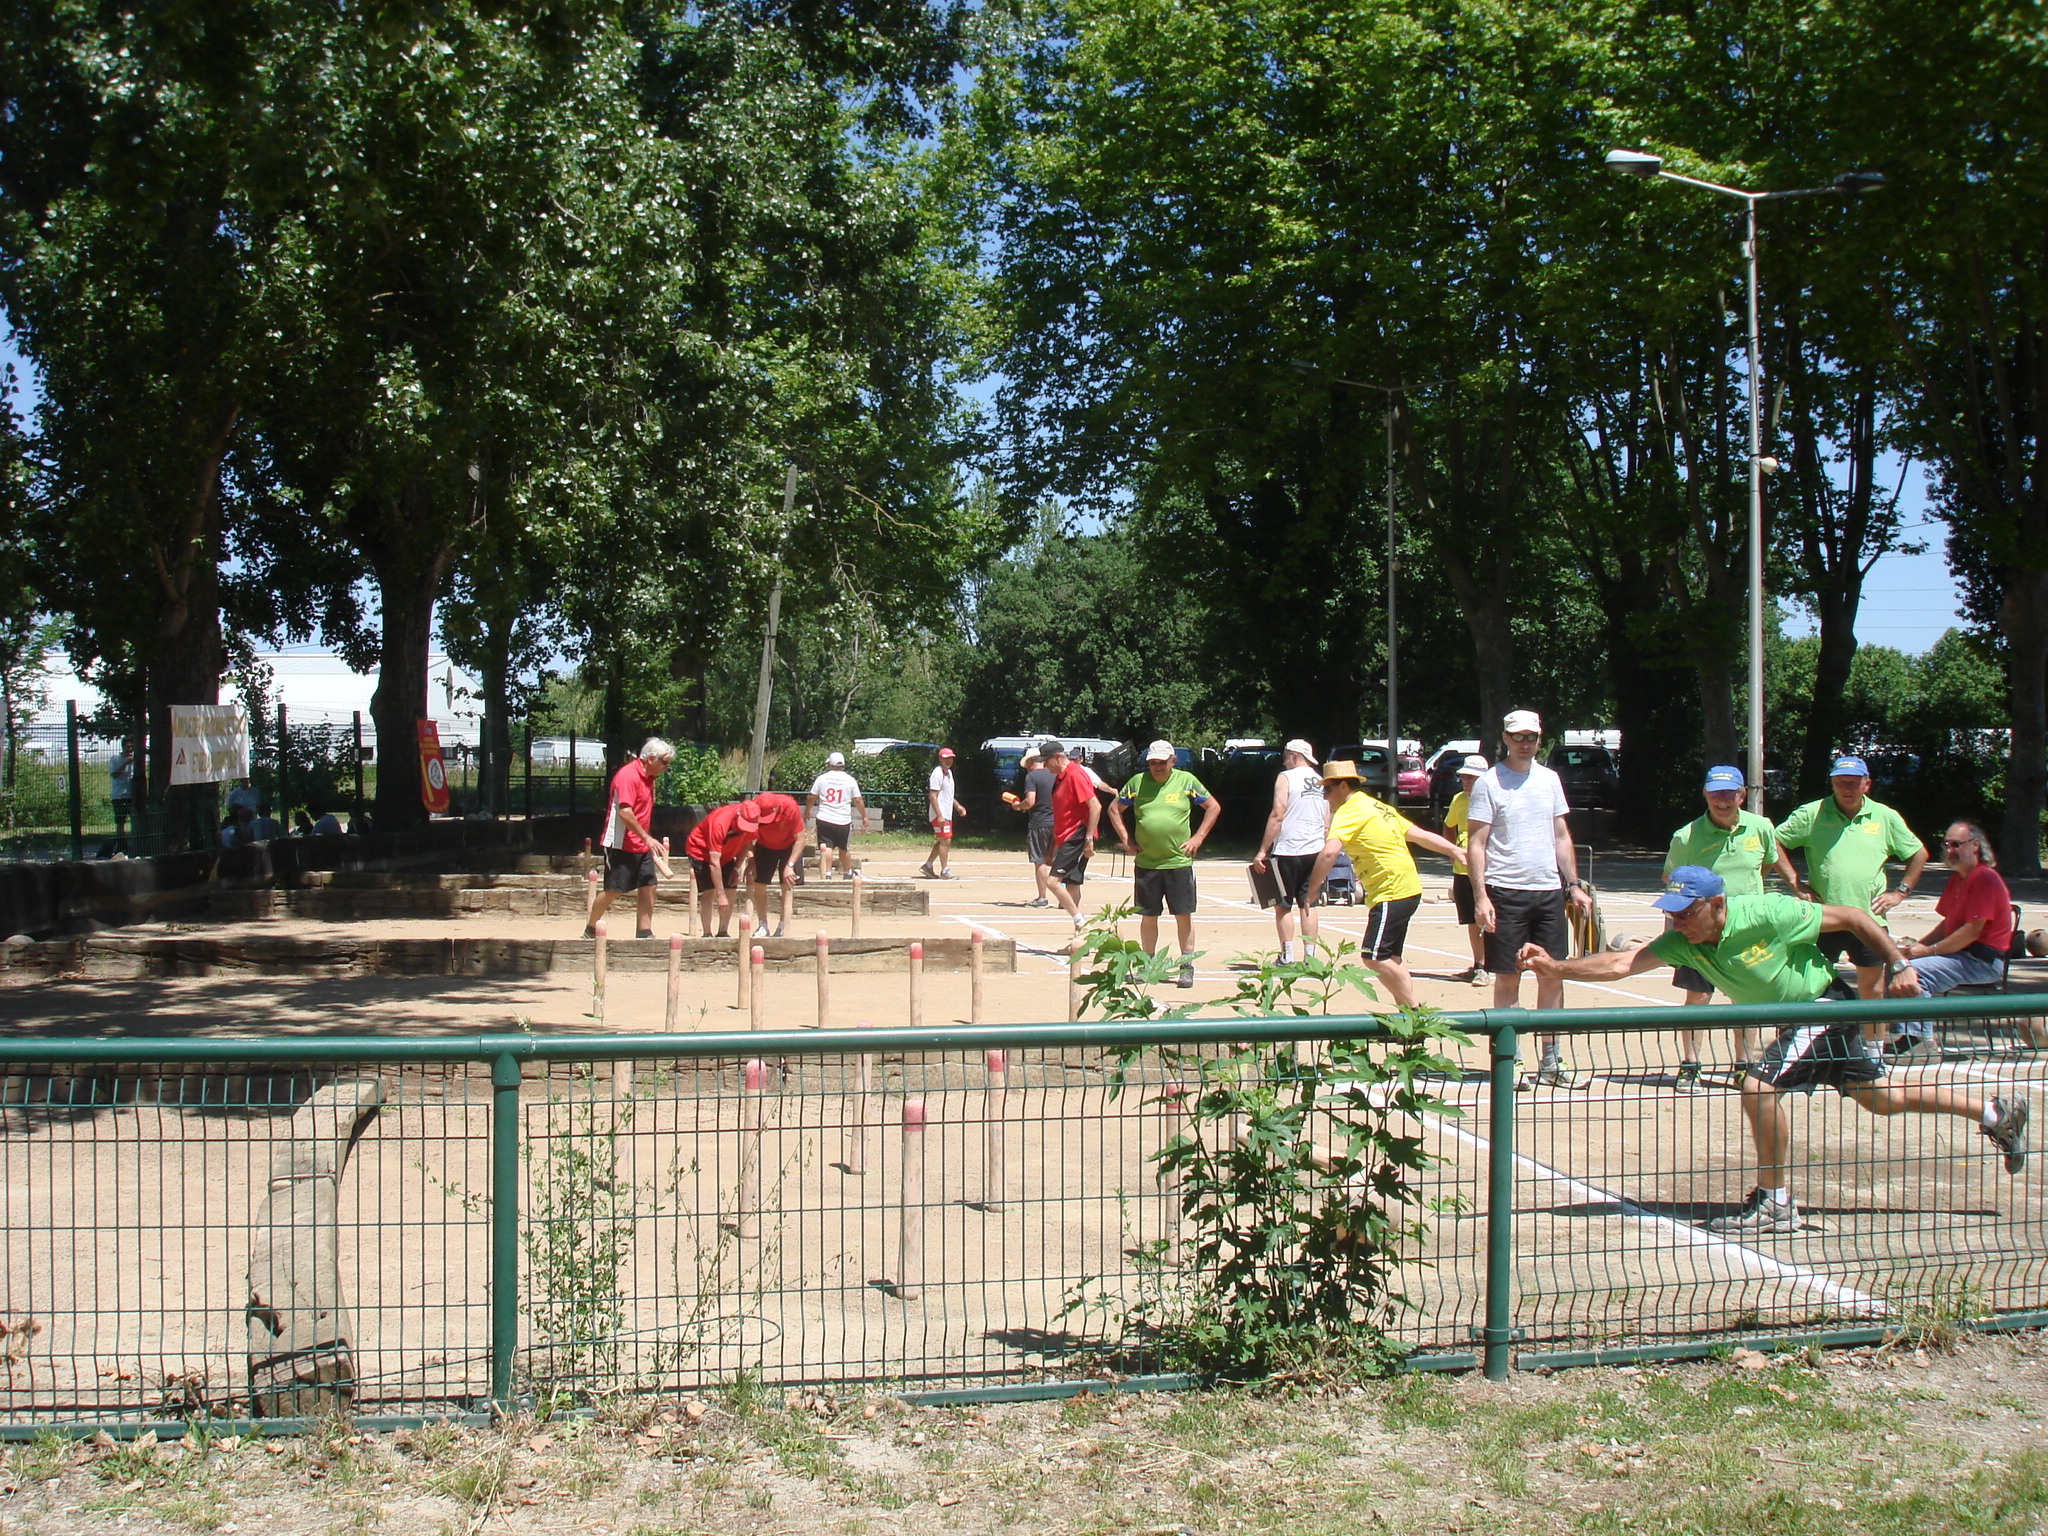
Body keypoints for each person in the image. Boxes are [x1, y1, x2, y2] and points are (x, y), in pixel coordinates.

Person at [1517, 866, 2029, 1234]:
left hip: (1821, 1007)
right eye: (1672, 912)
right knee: (1882, 1097)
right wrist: (1557, 968)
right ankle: (1994, 1111)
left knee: (1757, 1086)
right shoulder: (1683, 941)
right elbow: (1621, 965)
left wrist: (1898, 964)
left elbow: (1853, 916)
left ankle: (1776, 1201)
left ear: (1718, 905)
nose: (1679, 922)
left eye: (1688, 912)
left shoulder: (1768, 912)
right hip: (1798, 1020)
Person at [1465, 710, 1593, 1087]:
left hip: (1549, 893)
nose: (1525, 744)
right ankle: (1512, 1060)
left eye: (1531, 738)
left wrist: (1574, 884)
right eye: (1518, 737)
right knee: (1507, 977)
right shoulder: (1489, 783)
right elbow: (1477, 843)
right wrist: (1481, 896)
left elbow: (1560, 835)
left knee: (1552, 976)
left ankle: (1551, 1062)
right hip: (1505, 893)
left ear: (1540, 739)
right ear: (1504, 738)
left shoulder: (1550, 780)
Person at [1775, 756, 1929, 1055]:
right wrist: (1795, 882)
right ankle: (1798, 1053)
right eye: (1840, 782)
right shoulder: (1812, 813)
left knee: (1872, 990)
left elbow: (1918, 853)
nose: (1847, 788)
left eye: (1853, 782)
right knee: (1805, 988)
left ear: (1866, 784)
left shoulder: (1884, 816)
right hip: (1823, 917)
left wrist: (1901, 892)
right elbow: (1774, 841)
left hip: (1869, 919)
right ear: (1832, 783)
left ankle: (1874, 1054)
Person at [1303, 760, 1467, 1009]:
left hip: (1392, 890)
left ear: (1343, 786)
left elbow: (1329, 853)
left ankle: (1415, 1011)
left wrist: (1311, 890)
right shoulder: (1376, 806)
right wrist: (1454, 850)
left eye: (1328, 790)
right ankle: (1406, 1021)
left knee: (1374, 957)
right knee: (1392, 958)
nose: (1326, 797)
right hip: (1406, 887)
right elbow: (1419, 835)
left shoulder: (1349, 811)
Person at [1663, 764, 1780, 1091]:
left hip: (1748, 930)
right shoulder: (1686, 836)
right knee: (1697, 998)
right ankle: (1690, 1064)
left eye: (1729, 793)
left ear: (1742, 795)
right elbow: (1670, 878)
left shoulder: (1761, 828)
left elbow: (1767, 863)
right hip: (1703, 932)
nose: (1723, 800)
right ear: (1705, 794)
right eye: (1716, 793)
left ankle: (1744, 1064)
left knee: (1747, 1001)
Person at [1893, 820, 2014, 1059]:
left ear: (1975, 846)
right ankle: (1906, 1037)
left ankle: (1920, 1043)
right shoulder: (1957, 879)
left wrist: (1927, 952)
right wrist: (1916, 948)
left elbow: (1971, 932)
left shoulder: (1984, 878)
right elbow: (1947, 924)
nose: (1950, 851)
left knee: (1917, 972)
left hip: (1982, 962)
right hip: (1961, 956)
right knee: (1900, 965)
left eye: (1956, 845)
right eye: (1947, 845)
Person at [1106, 741, 1222, 989]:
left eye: (1162, 762)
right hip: (1147, 863)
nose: (1157, 767)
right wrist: (1127, 840)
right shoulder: (1137, 782)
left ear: (1173, 760)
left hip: (1178, 862)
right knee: (1148, 916)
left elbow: (1213, 807)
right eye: (1153, 763)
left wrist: (1198, 838)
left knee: (1183, 914)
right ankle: (1147, 965)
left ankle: (1186, 966)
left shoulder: (1186, 781)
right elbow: (1114, 809)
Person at [587, 738, 676, 939]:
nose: (666, 767)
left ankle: (644, 932)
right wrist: (647, 838)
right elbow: (625, 812)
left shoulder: (649, 778)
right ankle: (590, 928)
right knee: (614, 890)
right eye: (664, 762)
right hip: (620, 843)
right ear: (650, 758)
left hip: (641, 844)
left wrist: (645, 840)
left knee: (649, 885)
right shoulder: (628, 776)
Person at [1251, 738, 1326, 964]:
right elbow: (1328, 816)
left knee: (1282, 906)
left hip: (1288, 849)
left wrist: (1262, 850)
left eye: (1285, 756)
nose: (1283, 762)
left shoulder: (1286, 778)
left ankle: (1287, 955)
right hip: (1316, 850)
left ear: (1295, 756)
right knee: (1308, 904)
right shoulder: (1321, 780)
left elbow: (1278, 813)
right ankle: (1311, 958)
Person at [1040, 740, 1102, 942]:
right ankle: (1082, 938)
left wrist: (1088, 839)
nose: (1044, 765)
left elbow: (1096, 806)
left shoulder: (1075, 775)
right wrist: (1051, 849)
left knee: (1052, 882)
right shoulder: (1060, 777)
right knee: (1073, 884)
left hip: (1076, 835)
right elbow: (1060, 814)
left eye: (1046, 761)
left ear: (1058, 757)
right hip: (1064, 836)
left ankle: (1080, 922)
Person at [1441, 755, 1489, 985]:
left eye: (1471, 777)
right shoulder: (1458, 800)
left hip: (1489, 871)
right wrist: (1452, 852)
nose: (1465, 781)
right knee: (1471, 919)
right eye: (1463, 777)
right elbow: (1449, 826)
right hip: (1462, 870)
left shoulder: (1493, 798)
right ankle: (1479, 964)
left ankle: (1491, 965)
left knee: (1490, 918)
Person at [683, 800, 759, 938]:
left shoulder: (752, 822)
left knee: (731, 888)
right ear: (738, 815)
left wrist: (736, 868)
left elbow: (747, 844)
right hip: (701, 852)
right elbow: (714, 862)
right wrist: (720, 895)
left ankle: (723, 931)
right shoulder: (719, 822)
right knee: (709, 891)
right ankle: (707, 933)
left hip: (726, 854)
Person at [747, 791, 805, 937]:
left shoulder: (790, 807)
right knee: (759, 884)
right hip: (764, 845)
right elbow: (746, 837)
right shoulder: (751, 809)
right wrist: (752, 860)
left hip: (789, 846)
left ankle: (782, 925)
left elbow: (800, 839)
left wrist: (790, 865)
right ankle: (762, 925)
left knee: (787, 884)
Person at [805, 751, 865, 880]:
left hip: (824, 817)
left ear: (830, 764)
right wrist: (864, 815)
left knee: (827, 846)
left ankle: (827, 873)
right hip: (843, 819)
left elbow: (812, 796)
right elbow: (858, 800)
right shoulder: (850, 779)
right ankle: (847, 871)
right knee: (844, 847)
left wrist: (807, 811)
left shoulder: (822, 778)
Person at [1010, 747, 1056, 907]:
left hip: (1039, 823)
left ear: (1031, 762)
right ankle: (1064, 897)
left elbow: (1030, 801)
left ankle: (1042, 897)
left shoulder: (1032, 776)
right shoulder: (1056, 774)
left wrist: (1018, 806)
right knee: (1059, 860)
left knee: (1040, 860)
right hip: (1058, 822)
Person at [921, 747, 964, 879]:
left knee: (943, 840)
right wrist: (939, 814)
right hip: (939, 814)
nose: (948, 760)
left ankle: (928, 865)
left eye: (950, 758)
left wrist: (958, 806)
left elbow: (949, 795)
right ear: (940, 759)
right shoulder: (937, 774)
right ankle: (944, 870)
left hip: (946, 812)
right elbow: (932, 796)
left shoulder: (949, 773)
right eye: (945, 758)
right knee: (946, 840)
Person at [107, 740, 135, 854]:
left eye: (132, 747)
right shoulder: (115, 759)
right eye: (128, 747)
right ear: (123, 747)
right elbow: (114, 775)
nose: (130, 749)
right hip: (119, 795)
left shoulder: (135, 760)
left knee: (135, 819)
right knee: (120, 822)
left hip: (131, 795)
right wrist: (125, 763)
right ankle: (120, 845)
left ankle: (134, 845)